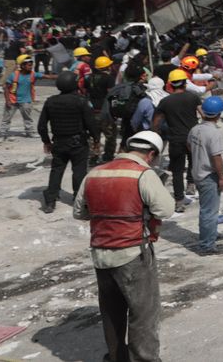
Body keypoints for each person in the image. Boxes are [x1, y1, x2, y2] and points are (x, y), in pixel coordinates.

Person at [73, 130, 171, 362]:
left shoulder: (94, 173)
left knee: (112, 311)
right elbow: (165, 210)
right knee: (143, 313)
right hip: (132, 252)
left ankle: (117, 357)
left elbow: (80, 211)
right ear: (151, 154)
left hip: (100, 253)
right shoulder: (143, 174)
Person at [39, 70, 99, 213]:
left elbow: (41, 126)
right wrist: (96, 139)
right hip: (78, 143)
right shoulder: (81, 101)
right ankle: (79, 201)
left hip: (58, 143)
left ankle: (50, 201)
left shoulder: (50, 101)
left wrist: (46, 142)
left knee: (56, 170)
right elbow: (91, 123)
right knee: (79, 171)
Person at [152, 69, 202, 212]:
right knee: (193, 162)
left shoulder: (165, 101)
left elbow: (156, 122)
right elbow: (203, 114)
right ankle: (191, 185)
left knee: (177, 171)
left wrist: (156, 134)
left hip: (175, 139)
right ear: (185, 83)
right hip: (193, 137)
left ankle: (179, 200)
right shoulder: (192, 97)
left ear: (170, 85)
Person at [189, 96, 223, 255]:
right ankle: (207, 245)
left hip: (197, 172)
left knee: (208, 209)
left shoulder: (195, 129)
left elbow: (189, 146)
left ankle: (210, 234)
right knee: (209, 211)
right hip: (208, 175)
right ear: (218, 115)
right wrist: (221, 177)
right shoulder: (213, 133)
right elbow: (216, 157)